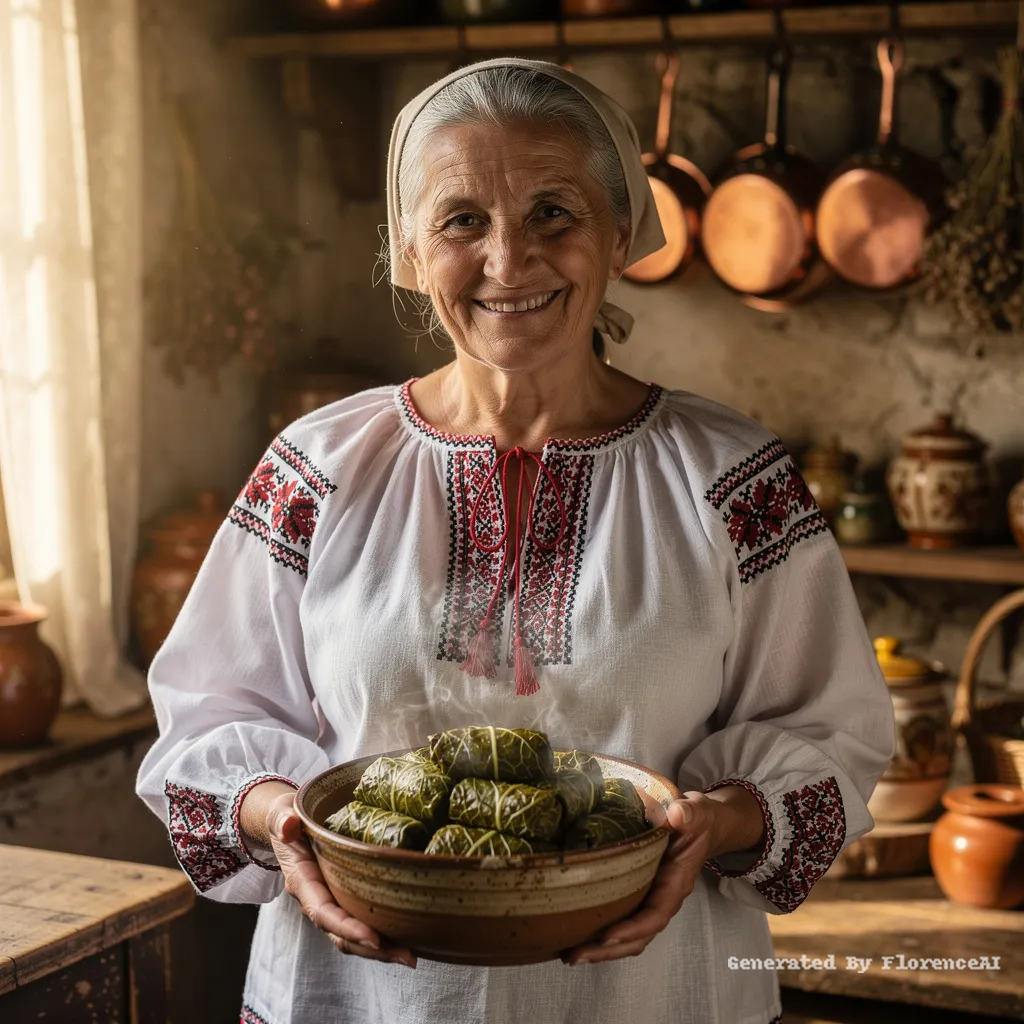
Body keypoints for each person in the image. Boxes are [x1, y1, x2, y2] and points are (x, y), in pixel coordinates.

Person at [136, 58, 894, 1024]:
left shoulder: (731, 478)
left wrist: (724, 821)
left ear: (620, 233)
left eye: (553, 213)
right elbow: (203, 720)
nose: (509, 261)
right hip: (362, 1000)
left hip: (646, 995)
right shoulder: (317, 467)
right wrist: (284, 822)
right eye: (462, 220)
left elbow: (836, 737)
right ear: (409, 252)